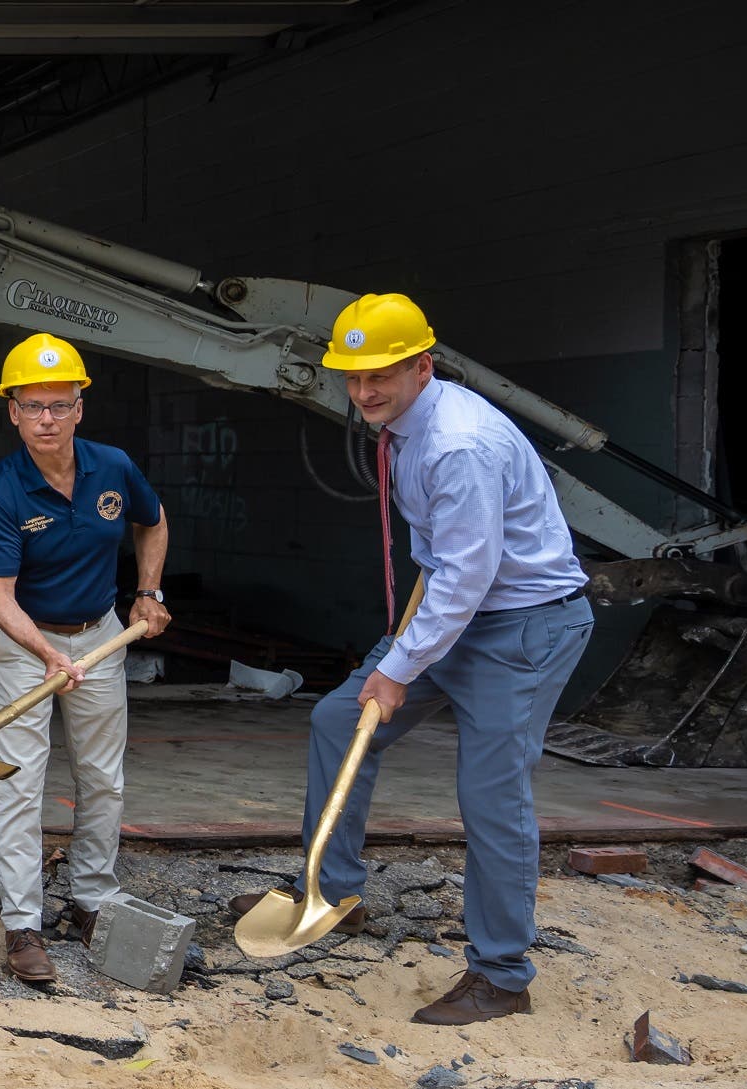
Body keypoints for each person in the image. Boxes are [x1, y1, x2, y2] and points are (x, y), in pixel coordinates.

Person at [232, 294, 592, 1025]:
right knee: (339, 721)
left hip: (520, 628)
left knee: (492, 795)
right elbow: (444, 566)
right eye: (352, 377)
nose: (364, 392)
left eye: (380, 376)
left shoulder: (458, 444)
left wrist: (398, 669)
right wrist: (401, 653)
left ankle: (501, 975)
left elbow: (468, 573)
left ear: (421, 366)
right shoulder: (403, 426)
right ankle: (332, 892)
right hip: (453, 613)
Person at [0, 333, 171, 985]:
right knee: (17, 781)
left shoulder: (112, 467)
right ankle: (22, 923)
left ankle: (92, 900)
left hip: (99, 633)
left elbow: (152, 519)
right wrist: (48, 653)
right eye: (33, 406)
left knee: (103, 776)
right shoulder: (2, 492)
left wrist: (148, 592)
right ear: (12, 412)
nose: (47, 419)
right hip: (22, 641)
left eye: (60, 404)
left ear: (79, 408)